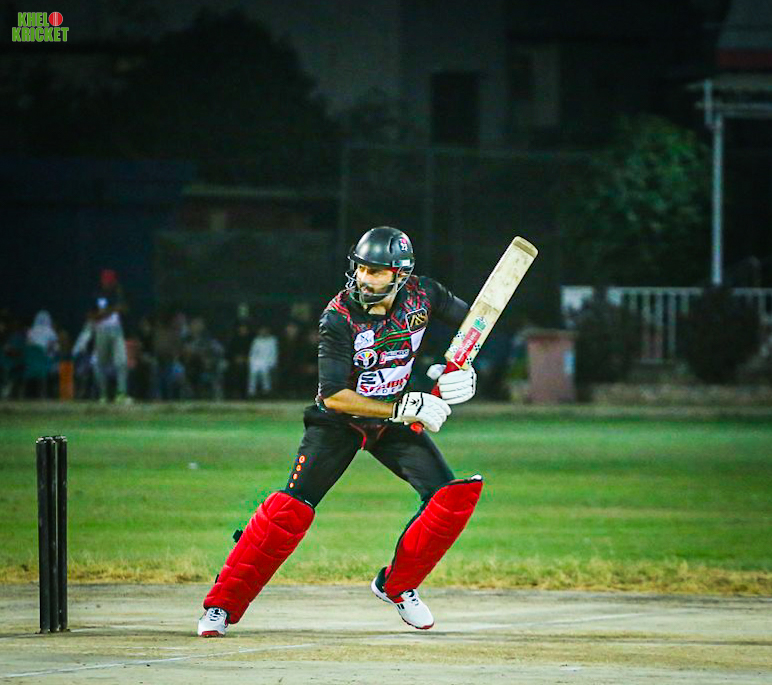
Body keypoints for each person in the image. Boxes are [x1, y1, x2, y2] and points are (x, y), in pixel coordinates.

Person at [198, 226, 479, 637]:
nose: (364, 278)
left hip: (392, 421)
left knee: (449, 500)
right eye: (361, 268)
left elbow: (475, 324)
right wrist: (401, 407)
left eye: (376, 271)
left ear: (400, 275)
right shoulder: (338, 317)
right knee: (288, 511)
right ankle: (221, 606)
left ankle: (397, 586)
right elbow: (333, 396)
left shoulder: (425, 294)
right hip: (339, 422)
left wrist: (458, 368)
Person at [88, 269, 131, 404]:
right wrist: (112, 310)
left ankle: (121, 394)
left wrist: (119, 301)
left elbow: (126, 310)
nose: (108, 283)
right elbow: (92, 315)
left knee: (122, 361)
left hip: (117, 330)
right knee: (101, 363)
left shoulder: (118, 294)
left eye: (110, 281)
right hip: (101, 330)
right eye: (106, 281)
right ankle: (103, 395)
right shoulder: (97, 294)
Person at [247, 326, 278, 397]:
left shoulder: (272, 340)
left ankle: (266, 391)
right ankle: (251, 392)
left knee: (265, 373)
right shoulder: (256, 340)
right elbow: (253, 353)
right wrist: (251, 361)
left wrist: (272, 363)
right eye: (262, 331)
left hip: (268, 361)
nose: (263, 332)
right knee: (253, 373)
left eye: (265, 330)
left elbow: (274, 353)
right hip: (256, 361)